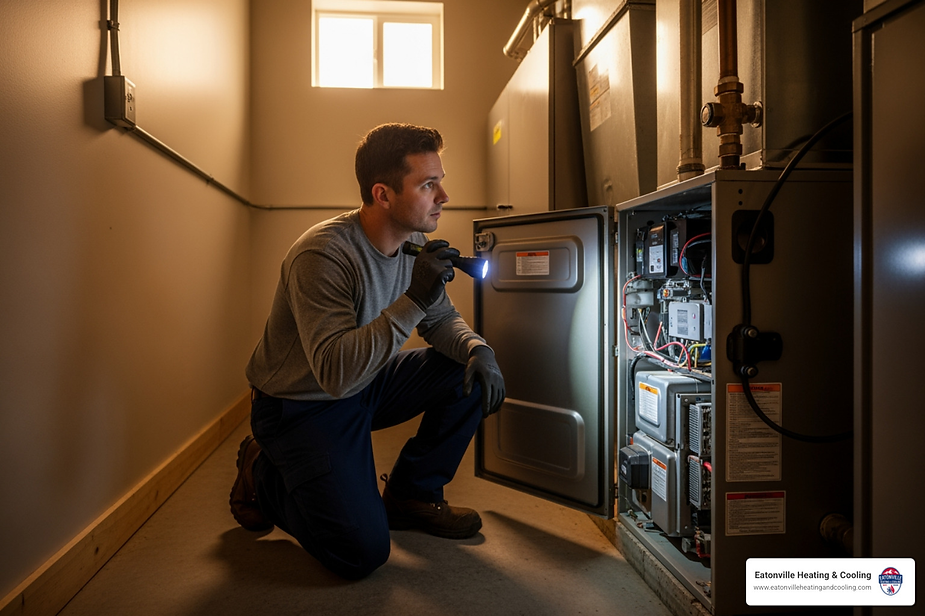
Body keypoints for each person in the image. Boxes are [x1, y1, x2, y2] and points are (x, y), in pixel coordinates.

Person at [230, 123, 505, 580]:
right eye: (428, 184)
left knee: (469, 371)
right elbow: (335, 374)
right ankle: (263, 471)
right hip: (302, 405)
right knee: (359, 552)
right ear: (383, 194)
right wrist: (413, 299)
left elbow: (440, 321)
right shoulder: (322, 256)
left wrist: (478, 348)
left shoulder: (411, 244)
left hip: (365, 382)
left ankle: (411, 495)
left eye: (439, 180)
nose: (444, 196)